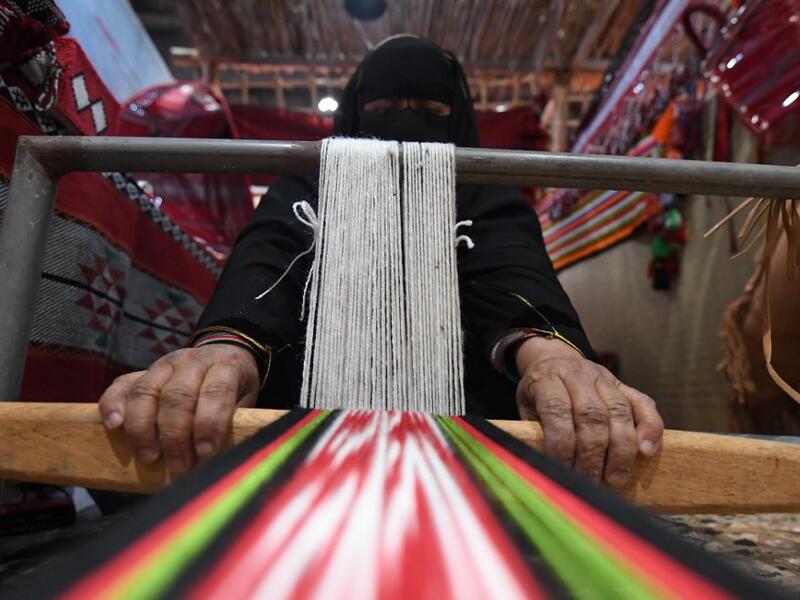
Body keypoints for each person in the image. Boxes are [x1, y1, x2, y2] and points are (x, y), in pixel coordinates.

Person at [99, 35, 663, 486]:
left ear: (456, 116)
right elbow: (270, 255)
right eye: (387, 107)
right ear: (356, 111)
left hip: (464, 435)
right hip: (309, 432)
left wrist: (550, 360)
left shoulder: (482, 189)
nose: (406, 122)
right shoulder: (311, 183)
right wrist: (226, 351)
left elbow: (506, 261)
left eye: (429, 109)